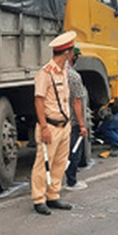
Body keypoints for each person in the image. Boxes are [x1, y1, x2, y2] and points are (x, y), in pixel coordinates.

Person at [31, 30, 76, 216]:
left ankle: (53, 195)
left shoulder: (64, 71)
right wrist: (43, 127)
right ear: (66, 52)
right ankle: (39, 199)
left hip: (64, 125)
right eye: (72, 51)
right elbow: (38, 100)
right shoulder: (45, 73)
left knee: (60, 162)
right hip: (49, 126)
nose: (73, 54)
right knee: (43, 164)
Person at [64, 45, 88, 191]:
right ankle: (71, 181)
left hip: (59, 120)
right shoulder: (74, 76)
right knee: (74, 152)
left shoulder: (55, 72)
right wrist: (82, 124)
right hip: (72, 120)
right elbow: (77, 101)